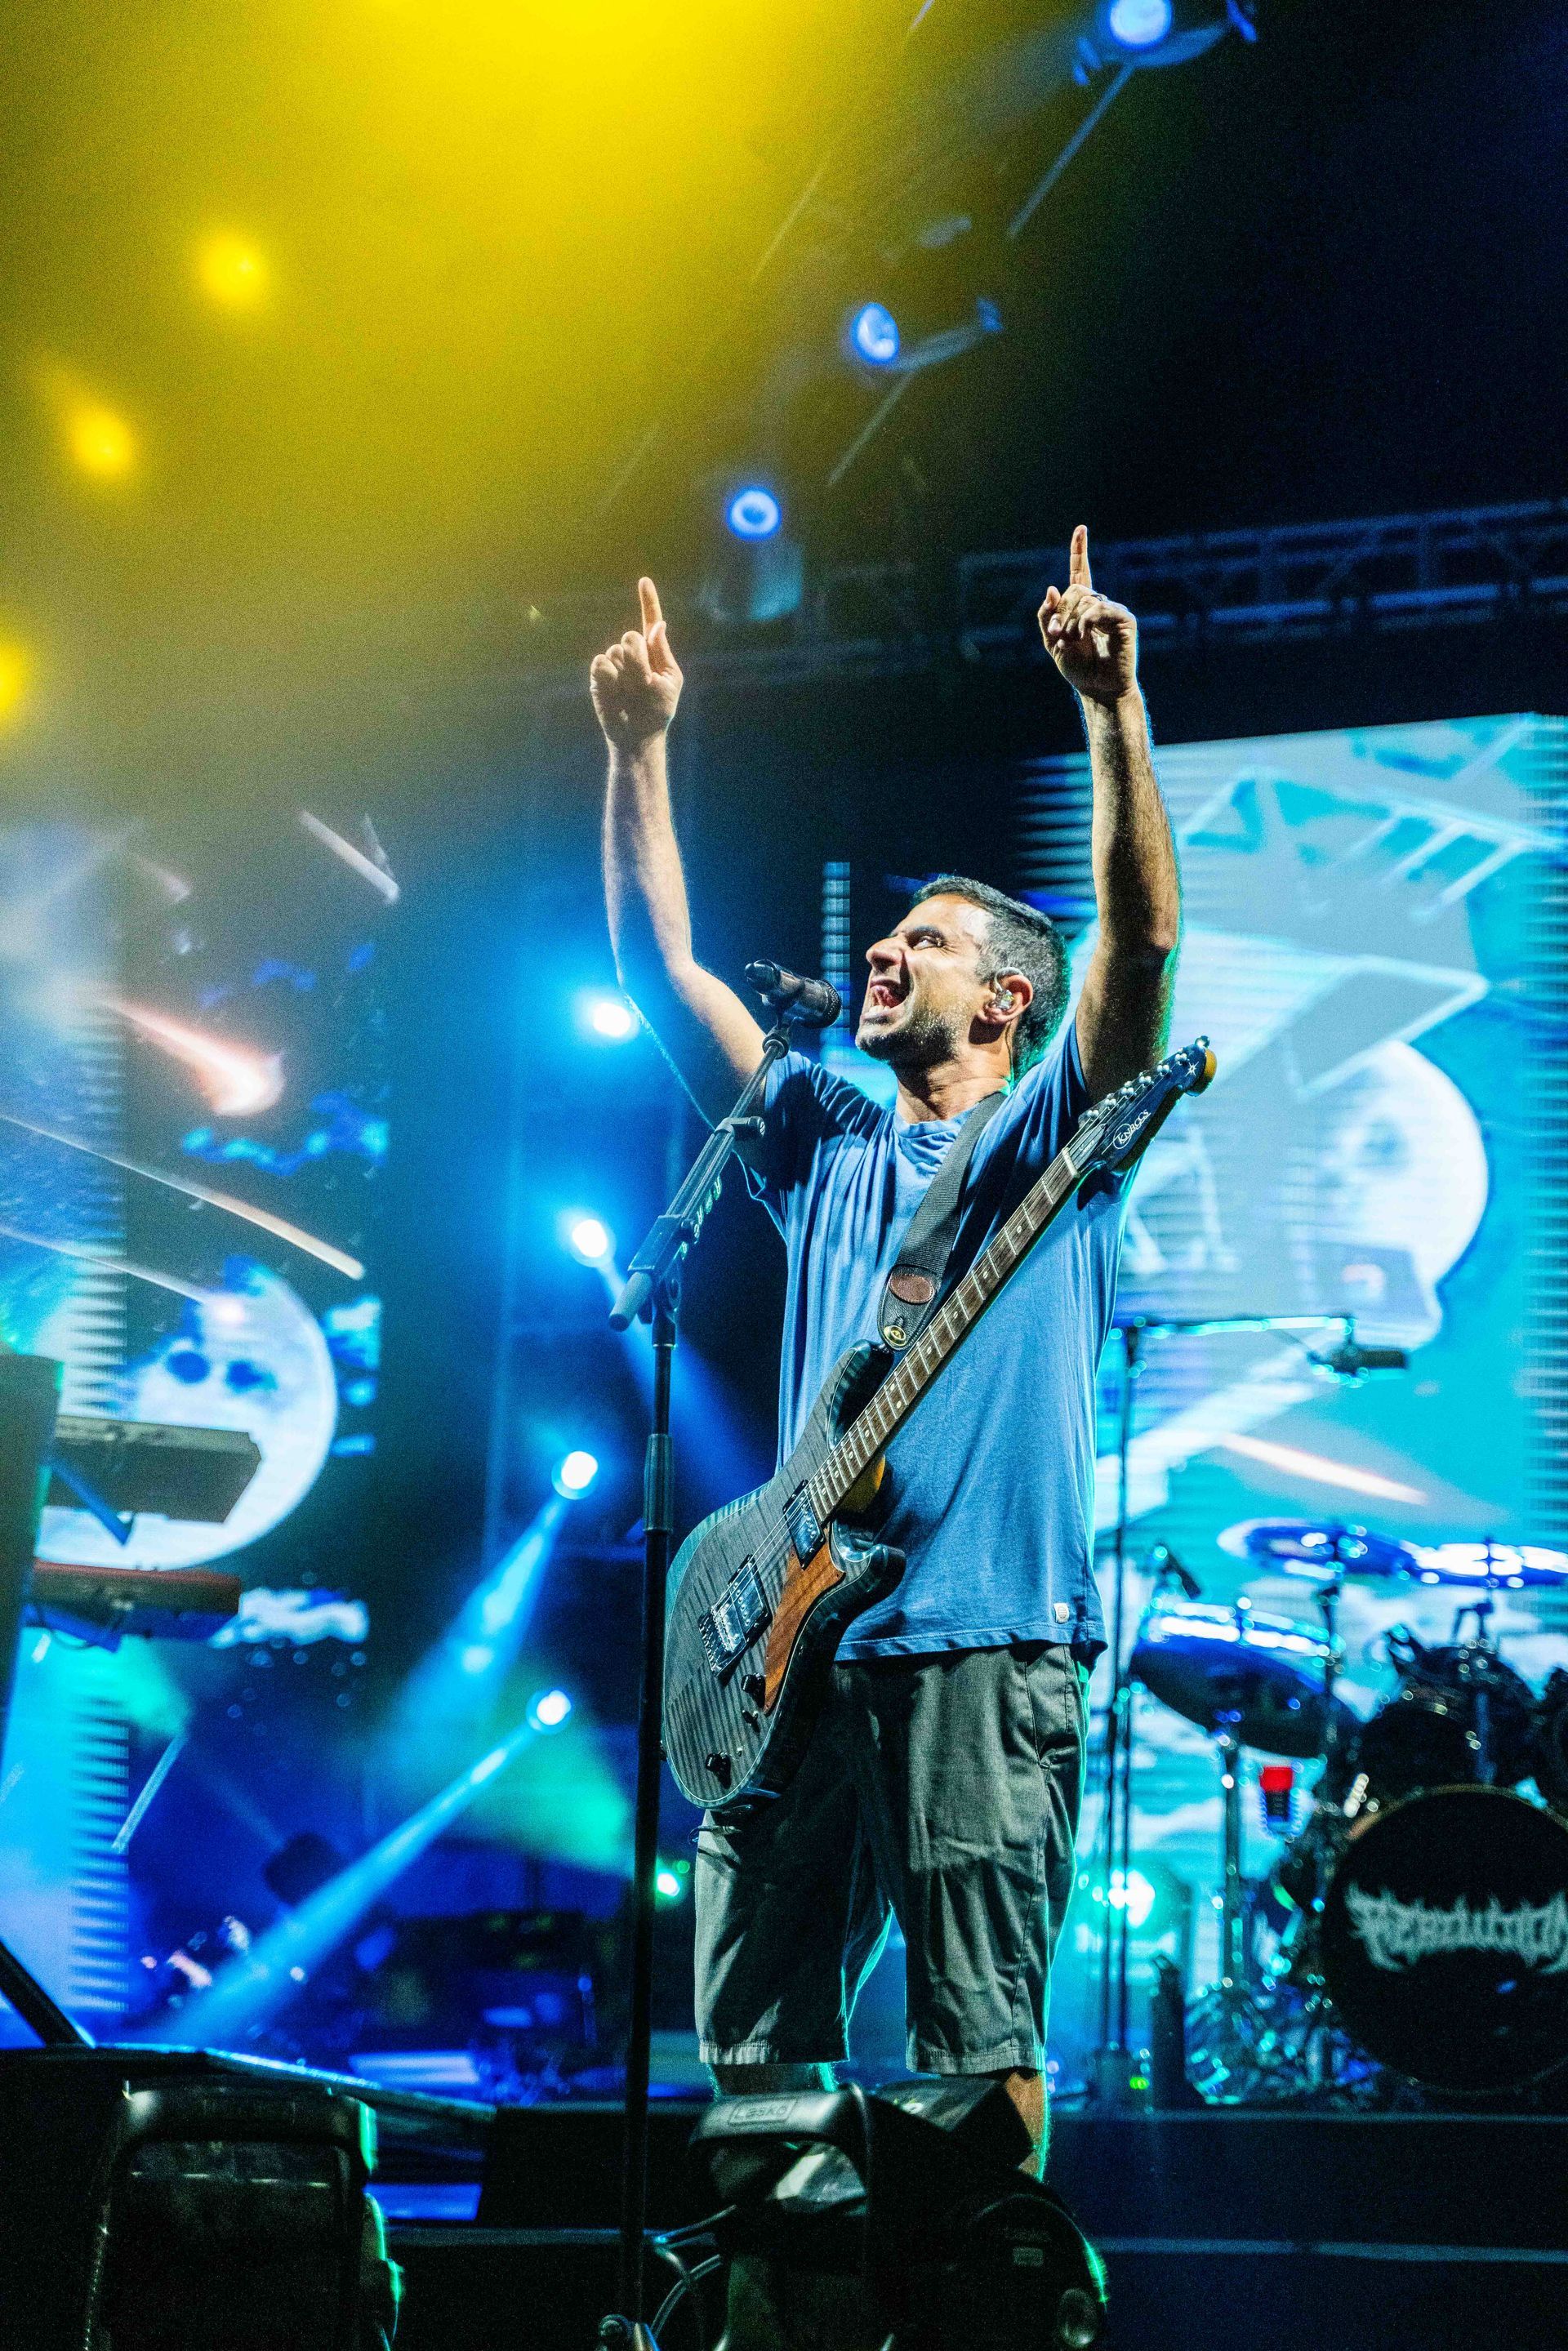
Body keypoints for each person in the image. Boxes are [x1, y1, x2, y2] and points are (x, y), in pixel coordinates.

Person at [590, 528, 1180, 2181]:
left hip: (981, 1648)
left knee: (973, 2062)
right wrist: (638, 751)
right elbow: (658, 972)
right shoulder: (825, 1139)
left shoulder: (1057, 1140)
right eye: (887, 936)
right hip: (782, 1657)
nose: (884, 952)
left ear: (1005, 1002)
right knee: (755, 2063)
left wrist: (1112, 717)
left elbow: (1135, 963)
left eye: (922, 944)